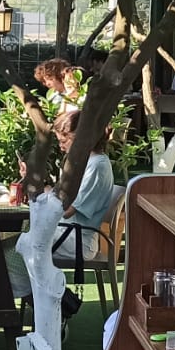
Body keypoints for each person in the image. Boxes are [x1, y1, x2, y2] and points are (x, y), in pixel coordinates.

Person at [51, 109, 118, 273]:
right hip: (66, 233)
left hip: (78, 240)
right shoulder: (84, 162)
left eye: (64, 141)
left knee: (20, 243)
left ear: (81, 138)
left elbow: (67, 210)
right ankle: (30, 288)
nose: (61, 147)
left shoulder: (97, 166)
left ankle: (25, 288)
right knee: (18, 242)